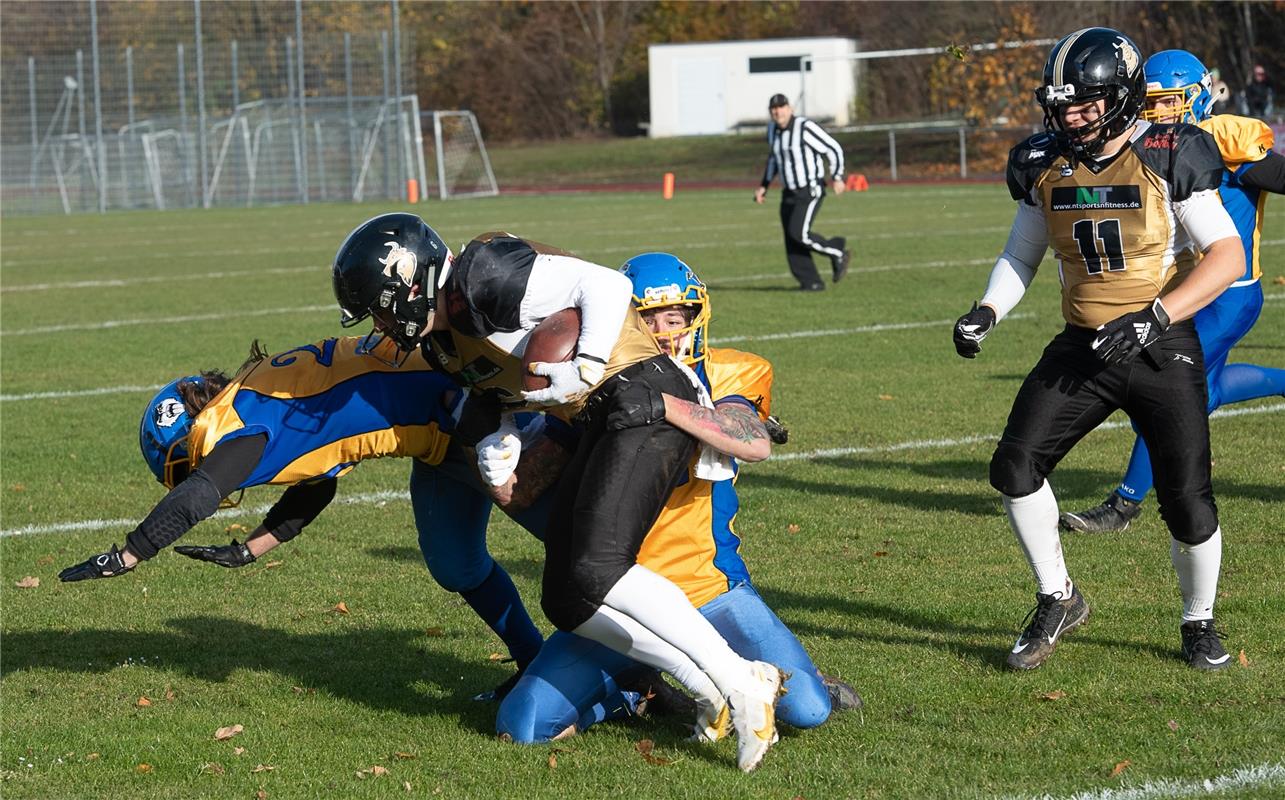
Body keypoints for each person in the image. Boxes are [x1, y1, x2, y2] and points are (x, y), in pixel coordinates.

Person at [331, 215, 785, 772]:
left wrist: (589, 364)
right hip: (601, 420)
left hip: (642, 395)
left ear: (407, 283)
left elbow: (606, 286)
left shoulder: (485, 275)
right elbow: (494, 391)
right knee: (567, 600)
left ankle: (741, 686)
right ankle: (710, 687)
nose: (380, 323)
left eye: (379, 306)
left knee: (597, 569)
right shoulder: (446, 341)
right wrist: (495, 441)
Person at [951, 28, 1246, 671]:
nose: (1071, 117)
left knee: (1187, 499)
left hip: (1160, 343)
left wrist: (1153, 317)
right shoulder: (1043, 161)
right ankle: (1058, 596)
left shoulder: (1171, 152)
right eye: (1062, 105)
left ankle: (1199, 620)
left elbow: (1226, 257)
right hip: (1083, 345)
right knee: (1015, 466)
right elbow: (1022, 251)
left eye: (1086, 104)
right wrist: (988, 308)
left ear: (1120, 98)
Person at [56, 337, 557, 694]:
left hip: (473, 421)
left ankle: (622, 670)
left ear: (195, 432)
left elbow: (197, 498)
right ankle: (536, 662)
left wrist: (127, 555)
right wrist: (248, 550)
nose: (196, 469)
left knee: (579, 545)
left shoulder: (239, 428)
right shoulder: (257, 395)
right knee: (456, 563)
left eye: (187, 462)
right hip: (435, 433)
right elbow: (315, 487)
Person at [496, 252, 858, 743]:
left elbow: (751, 441)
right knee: (525, 725)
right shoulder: (591, 387)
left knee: (808, 710)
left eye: (675, 317)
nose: (665, 331)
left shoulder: (731, 373)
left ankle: (808, 680)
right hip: (617, 599)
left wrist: (660, 403)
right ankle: (634, 687)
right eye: (649, 319)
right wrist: (488, 439)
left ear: (695, 317)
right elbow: (519, 494)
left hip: (709, 589)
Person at [1060, 49, 1285, 533]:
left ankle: (1124, 505)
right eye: (1153, 103)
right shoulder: (1145, 144)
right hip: (1181, 291)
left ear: (1199, 96)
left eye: (1171, 102)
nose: (1160, 113)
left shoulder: (1222, 139)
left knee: (1166, 391)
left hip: (1226, 294)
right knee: (1210, 389)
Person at [754, 93, 851, 291]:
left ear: (790, 109)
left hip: (809, 189)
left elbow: (833, 148)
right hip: (788, 191)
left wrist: (837, 176)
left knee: (799, 233)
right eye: (774, 108)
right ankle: (811, 281)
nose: (778, 111)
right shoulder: (772, 130)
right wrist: (764, 185)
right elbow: (774, 159)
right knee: (791, 238)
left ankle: (837, 250)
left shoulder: (804, 128)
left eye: (782, 107)